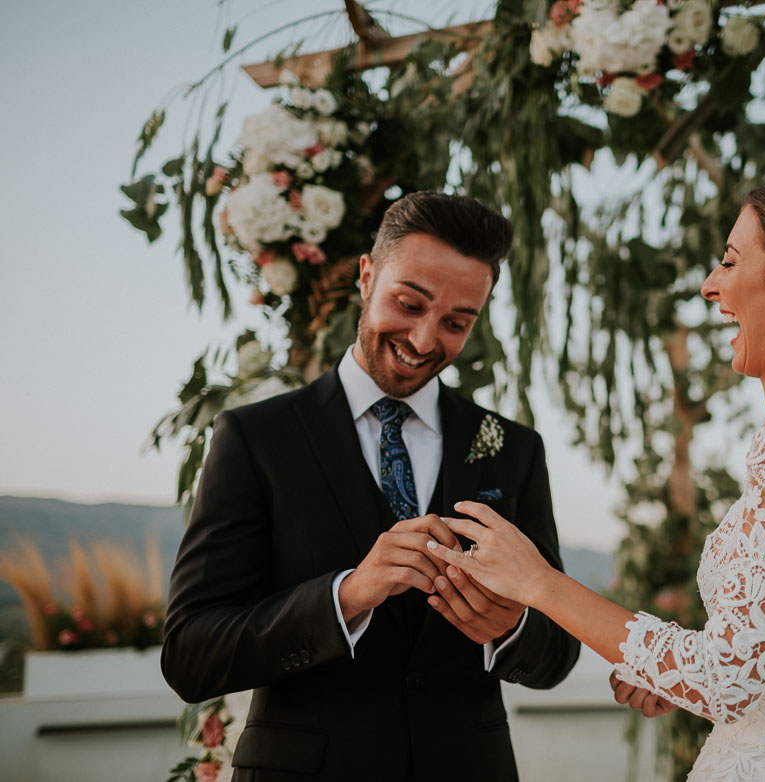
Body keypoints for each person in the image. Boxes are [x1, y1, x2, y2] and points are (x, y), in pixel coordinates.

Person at [426, 167, 765, 781]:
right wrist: (676, 671)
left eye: (731, 262)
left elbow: (726, 678)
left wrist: (540, 584)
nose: (712, 286)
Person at [162, 191, 580, 781]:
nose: (425, 339)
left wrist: (509, 628)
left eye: (457, 322)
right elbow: (191, 655)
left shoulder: (513, 451)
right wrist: (348, 595)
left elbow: (558, 650)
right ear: (366, 276)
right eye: (409, 304)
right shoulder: (256, 438)